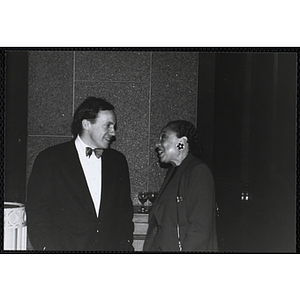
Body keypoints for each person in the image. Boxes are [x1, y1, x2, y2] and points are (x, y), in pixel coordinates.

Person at [26, 97, 134, 251]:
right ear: (86, 124)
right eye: (108, 126)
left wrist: (124, 247)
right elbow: (37, 211)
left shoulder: (118, 161)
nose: (113, 132)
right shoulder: (50, 158)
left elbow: (124, 211)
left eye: (114, 126)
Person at [143, 120, 218, 252]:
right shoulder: (174, 171)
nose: (157, 144)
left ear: (181, 143)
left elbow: (199, 230)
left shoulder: (198, 171)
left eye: (163, 137)